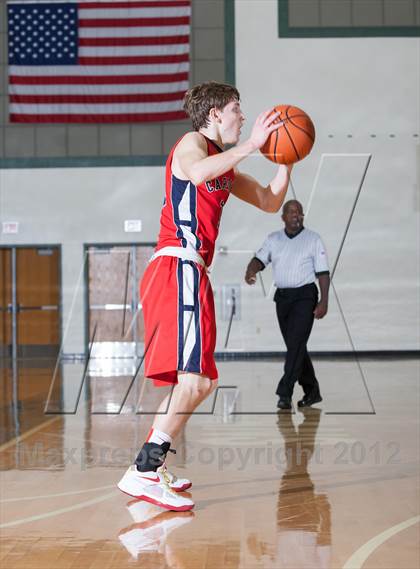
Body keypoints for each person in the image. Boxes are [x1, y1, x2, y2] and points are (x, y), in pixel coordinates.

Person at [118, 81, 293, 510]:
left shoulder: (223, 164)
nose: (242, 116)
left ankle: (150, 466)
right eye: (237, 108)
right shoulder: (191, 145)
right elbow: (197, 173)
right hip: (177, 264)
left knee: (198, 381)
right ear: (214, 112)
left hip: (191, 271)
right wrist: (254, 144)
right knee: (196, 380)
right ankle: (143, 470)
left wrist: (287, 161)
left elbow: (270, 202)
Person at [244, 200, 330, 410]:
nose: (297, 215)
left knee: (296, 345)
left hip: (305, 297)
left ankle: (285, 393)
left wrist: (324, 301)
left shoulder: (313, 239)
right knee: (296, 346)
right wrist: (251, 270)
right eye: (292, 212)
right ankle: (312, 391)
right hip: (283, 299)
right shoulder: (274, 239)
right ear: (283, 217)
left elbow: (323, 273)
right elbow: (259, 259)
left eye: (300, 212)